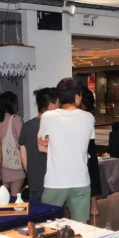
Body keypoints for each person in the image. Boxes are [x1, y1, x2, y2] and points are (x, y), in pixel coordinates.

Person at [38, 78, 95, 222]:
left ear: (58, 97)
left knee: (48, 225)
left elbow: (41, 146)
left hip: (56, 181)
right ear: (77, 96)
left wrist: (54, 148)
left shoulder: (47, 116)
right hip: (80, 181)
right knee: (81, 227)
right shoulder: (88, 118)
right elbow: (83, 145)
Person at [18, 88, 59, 204]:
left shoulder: (26, 126)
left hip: (34, 184)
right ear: (51, 105)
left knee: (36, 214)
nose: (59, 107)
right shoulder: (56, 126)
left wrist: (32, 174)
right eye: (58, 103)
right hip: (53, 185)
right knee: (54, 215)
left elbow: (23, 156)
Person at [0, 91, 25, 196]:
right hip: (14, 162)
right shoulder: (15, 119)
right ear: (12, 104)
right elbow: (22, 140)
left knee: (1, 196)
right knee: (15, 195)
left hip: (0, 164)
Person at [81, 88, 102, 216]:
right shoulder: (90, 115)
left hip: (85, 147)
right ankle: (94, 207)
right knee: (92, 175)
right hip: (90, 147)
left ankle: (92, 207)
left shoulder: (85, 116)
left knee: (89, 175)